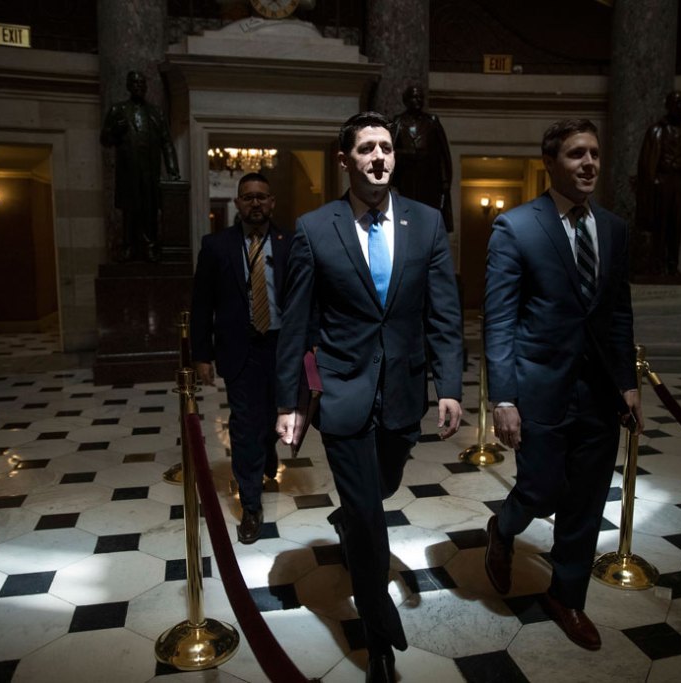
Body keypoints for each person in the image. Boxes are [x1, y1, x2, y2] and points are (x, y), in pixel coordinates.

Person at [275, 112, 464, 682]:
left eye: (386, 148)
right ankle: (379, 637)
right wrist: (289, 403)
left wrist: (450, 387)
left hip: (404, 391)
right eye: (367, 149)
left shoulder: (426, 223)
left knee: (381, 488)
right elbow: (296, 325)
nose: (380, 156)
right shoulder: (314, 229)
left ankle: (351, 520)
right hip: (343, 390)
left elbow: (445, 314)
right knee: (367, 514)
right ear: (346, 160)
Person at [483, 119, 643, 651]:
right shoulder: (516, 227)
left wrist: (628, 384)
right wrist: (503, 398)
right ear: (551, 161)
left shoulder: (615, 229)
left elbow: (618, 312)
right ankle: (503, 529)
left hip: (599, 393)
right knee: (542, 487)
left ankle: (566, 596)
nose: (589, 163)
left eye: (595, 153)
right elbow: (499, 320)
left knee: (588, 500)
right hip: (539, 388)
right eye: (577, 154)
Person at [190, 173, 288, 544]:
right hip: (239, 348)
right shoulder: (216, 246)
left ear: (272, 201)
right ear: (237, 203)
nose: (256, 203)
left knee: (275, 414)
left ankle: (267, 451)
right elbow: (202, 305)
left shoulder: (289, 243)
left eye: (262, 196)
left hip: (281, 348)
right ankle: (250, 505)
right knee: (245, 424)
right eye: (248, 197)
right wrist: (202, 354)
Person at [100, 70, 180, 263]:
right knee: (130, 209)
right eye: (134, 83)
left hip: (150, 171)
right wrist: (115, 131)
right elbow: (104, 139)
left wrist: (173, 170)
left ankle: (150, 245)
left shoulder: (155, 113)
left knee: (150, 209)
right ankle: (128, 246)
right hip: (128, 171)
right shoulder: (118, 110)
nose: (138, 87)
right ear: (128, 86)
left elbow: (166, 143)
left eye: (141, 84)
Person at [635, 90, 681, 276]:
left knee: (676, 226)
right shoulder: (656, 130)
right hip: (661, 182)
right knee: (660, 225)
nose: (678, 106)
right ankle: (657, 264)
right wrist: (654, 182)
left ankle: (672, 264)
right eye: (675, 103)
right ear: (668, 105)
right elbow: (646, 163)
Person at [391, 85, 454, 232]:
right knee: (408, 213)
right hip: (407, 178)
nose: (418, 100)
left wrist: (445, 181)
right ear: (406, 100)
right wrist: (406, 153)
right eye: (414, 97)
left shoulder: (432, 121)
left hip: (429, 178)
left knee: (428, 215)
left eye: (420, 97)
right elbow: (390, 152)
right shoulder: (398, 122)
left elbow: (443, 154)